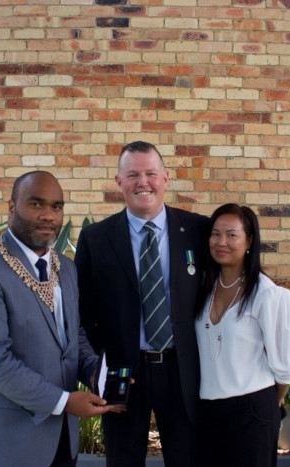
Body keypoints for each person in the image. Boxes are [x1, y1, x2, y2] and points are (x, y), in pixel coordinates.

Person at [0, 171, 114, 467]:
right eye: (36, 204)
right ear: (12, 208)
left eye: (56, 206)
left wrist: (93, 372)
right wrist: (65, 402)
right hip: (5, 445)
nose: (48, 216)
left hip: (62, 442)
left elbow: (72, 336)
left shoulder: (65, 267)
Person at [75, 141, 209, 467]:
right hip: (124, 373)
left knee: (188, 458)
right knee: (123, 460)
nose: (143, 182)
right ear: (119, 182)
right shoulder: (95, 238)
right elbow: (83, 311)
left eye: (150, 173)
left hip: (183, 370)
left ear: (165, 178)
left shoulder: (198, 230)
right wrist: (96, 367)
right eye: (132, 175)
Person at [194, 203, 290, 467]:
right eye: (215, 234)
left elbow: (284, 367)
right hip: (207, 411)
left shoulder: (268, 295)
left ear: (249, 240)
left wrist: (270, 404)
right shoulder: (202, 288)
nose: (221, 242)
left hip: (252, 411)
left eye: (232, 234)